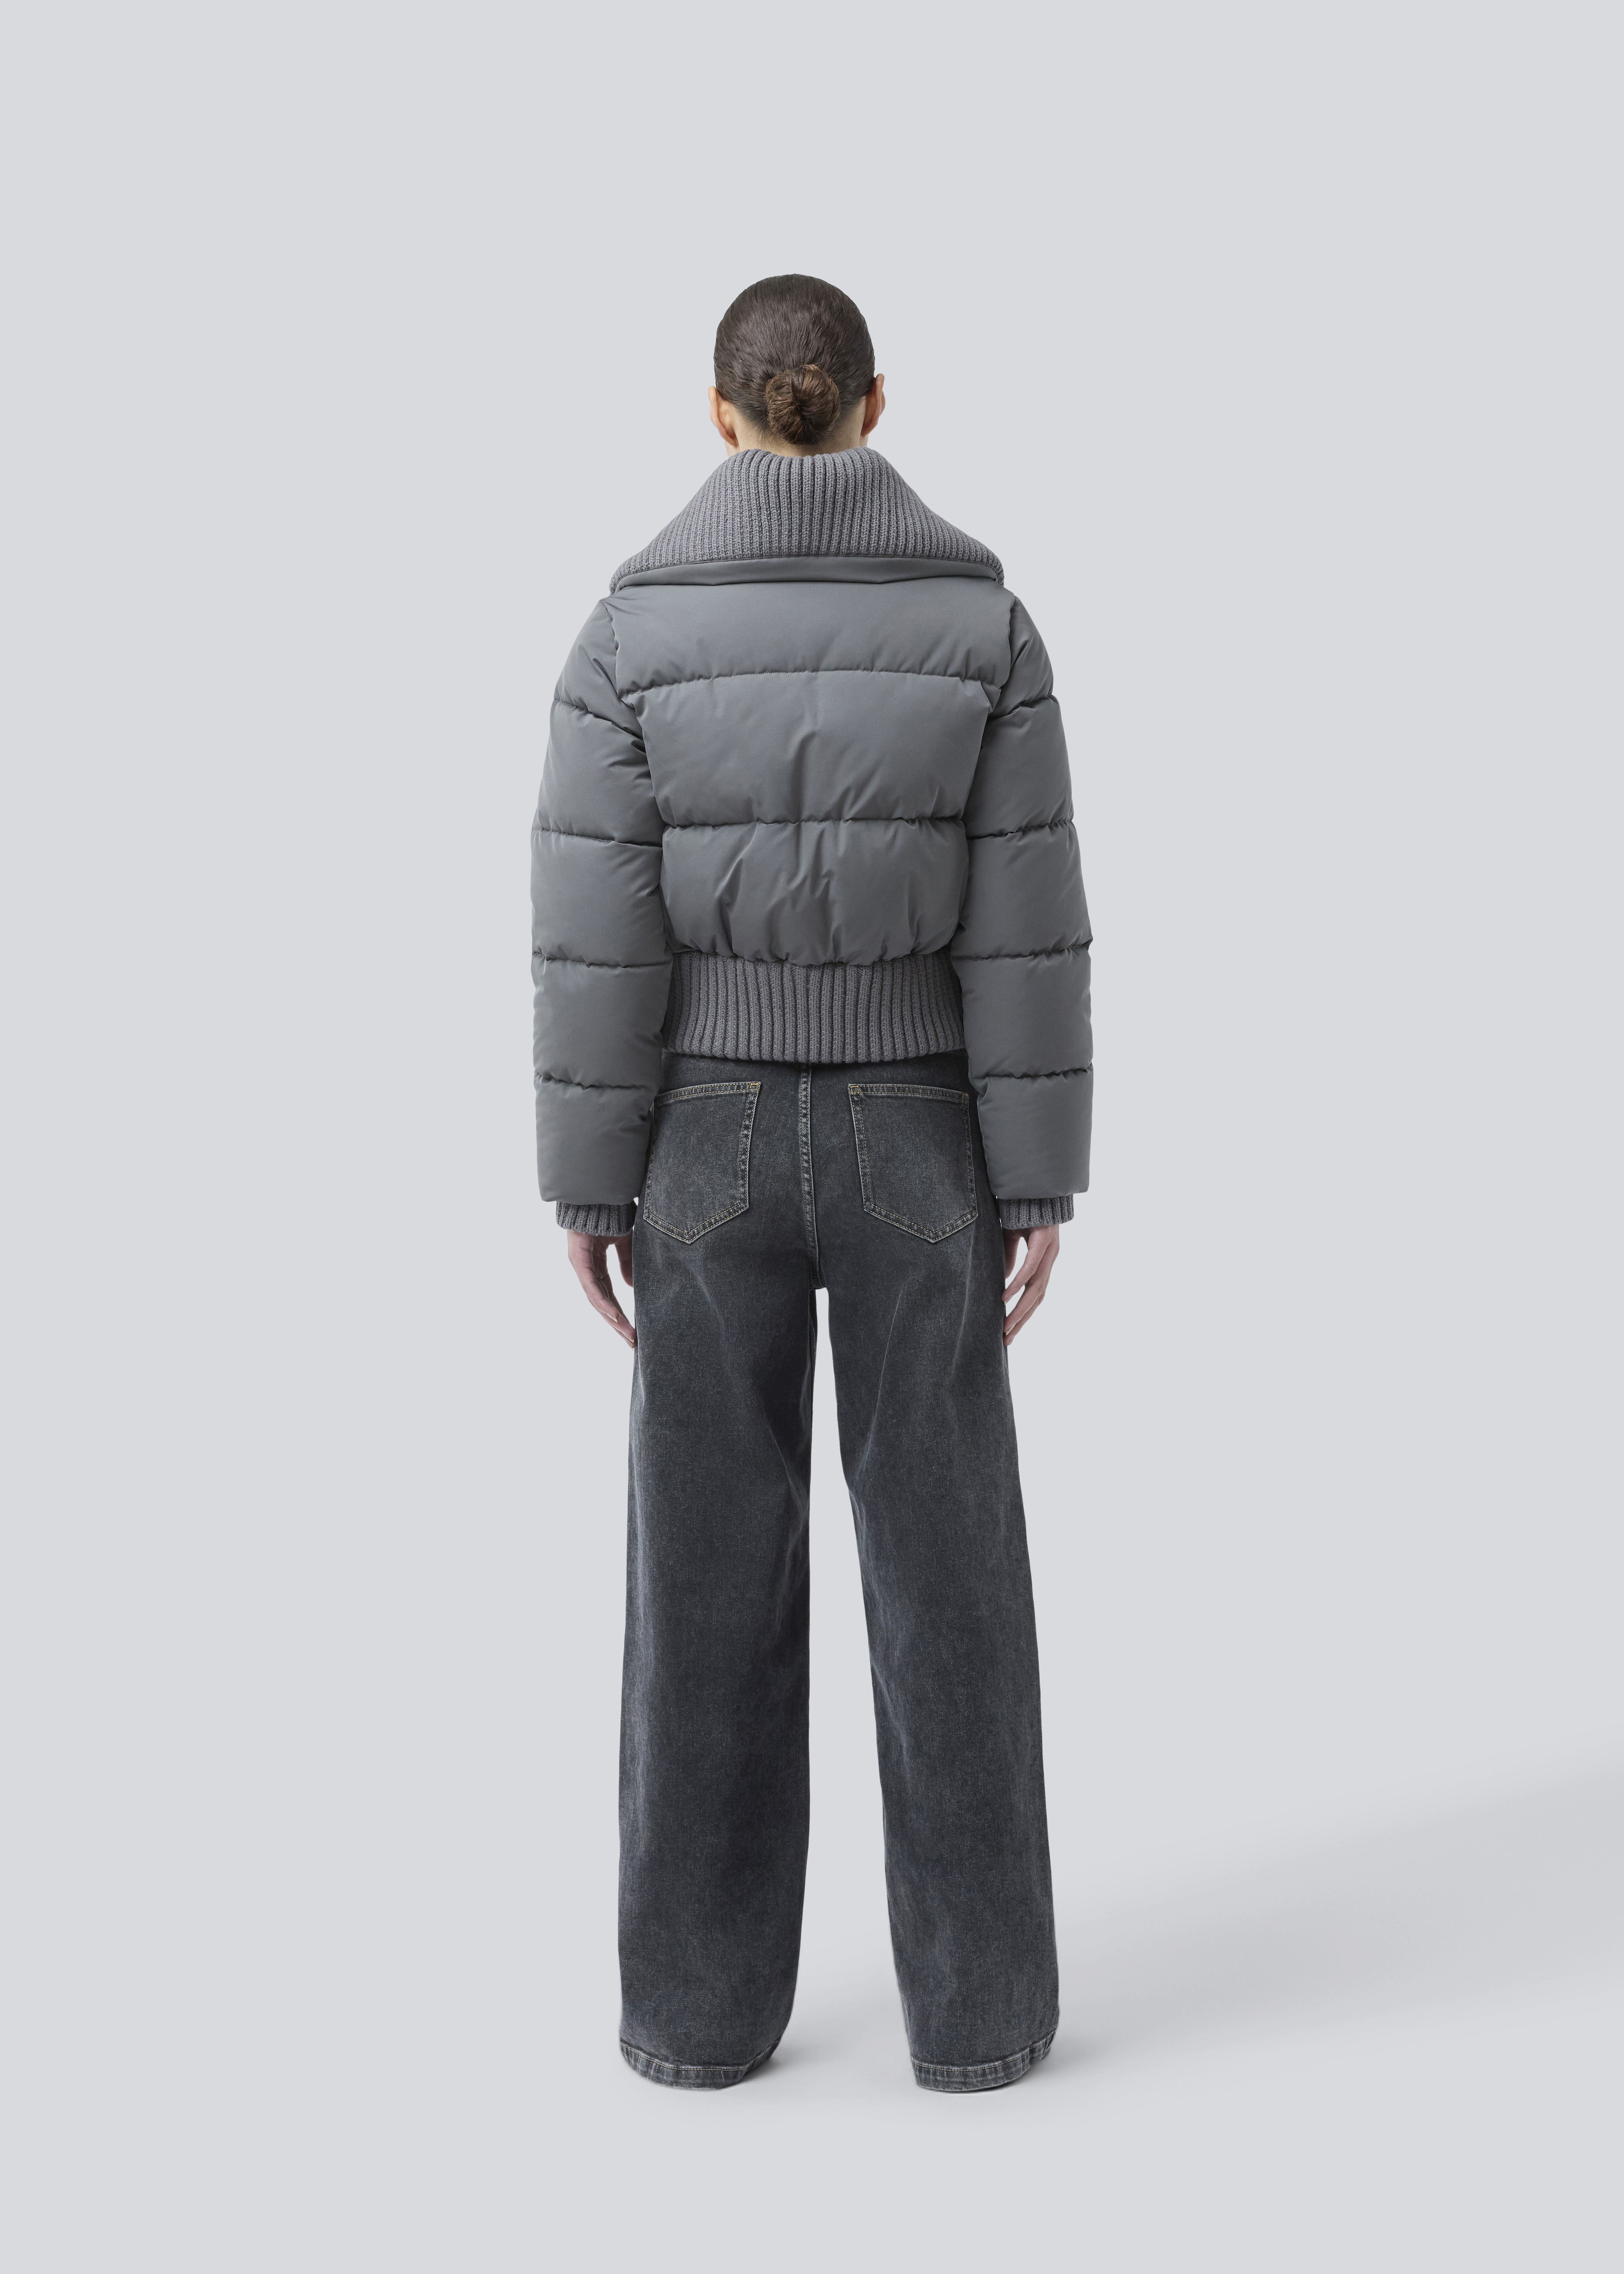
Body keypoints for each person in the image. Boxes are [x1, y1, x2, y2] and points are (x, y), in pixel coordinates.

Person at [531, 274, 1092, 2093]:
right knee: (952, 1581)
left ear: (720, 416)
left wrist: (589, 1186)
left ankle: (695, 2024)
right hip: (923, 1133)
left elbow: (592, 932)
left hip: (698, 1143)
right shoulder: (982, 618)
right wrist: (1036, 1176)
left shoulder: (630, 629)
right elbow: (1027, 913)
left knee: (702, 1580)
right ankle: (983, 2023)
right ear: (872, 403)